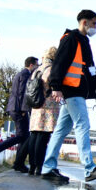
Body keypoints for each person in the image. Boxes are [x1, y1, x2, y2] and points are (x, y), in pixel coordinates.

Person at [40, 10, 96, 184]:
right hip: (71, 90)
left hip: (76, 91)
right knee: (82, 125)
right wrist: (56, 86)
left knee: (61, 130)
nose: (95, 27)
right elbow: (60, 63)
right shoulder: (70, 38)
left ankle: (48, 167)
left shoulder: (83, 41)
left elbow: (91, 69)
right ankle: (89, 168)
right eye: (94, 23)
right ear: (84, 22)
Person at [0, 56, 38, 169]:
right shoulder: (25, 74)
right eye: (36, 65)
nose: (37, 67)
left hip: (14, 107)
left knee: (24, 136)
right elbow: (22, 93)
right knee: (22, 136)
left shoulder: (20, 74)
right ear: (31, 65)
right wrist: (23, 109)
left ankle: (18, 163)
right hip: (18, 109)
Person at [27, 46, 59, 175]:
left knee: (34, 135)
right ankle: (39, 166)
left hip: (36, 105)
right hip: (47, 105)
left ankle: (32, 165)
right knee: (43, 137)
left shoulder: (37, 69)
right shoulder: (50, 69)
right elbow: (49, 81)